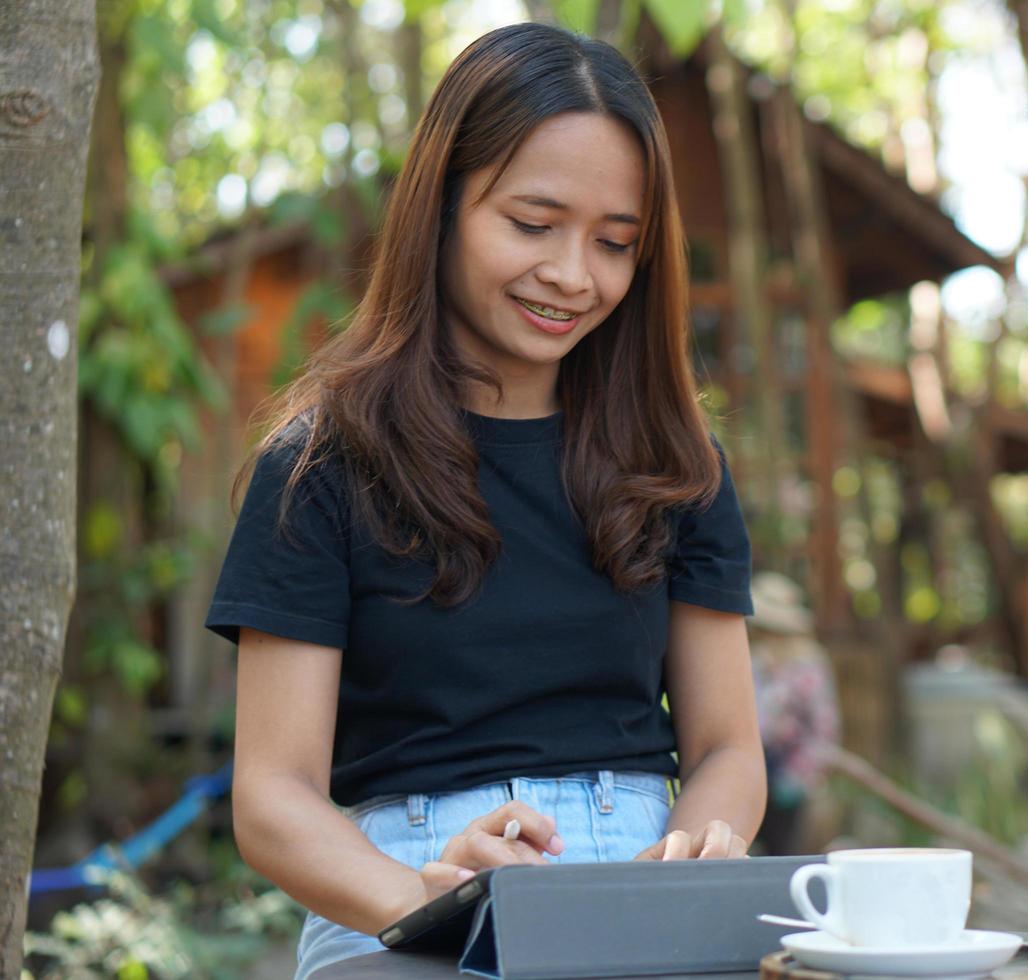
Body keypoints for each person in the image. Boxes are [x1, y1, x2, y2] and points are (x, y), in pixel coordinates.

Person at [207, 23, 765, 979]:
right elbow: (274, 794)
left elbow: (725, 747)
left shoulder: (678, 463)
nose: (572, 274)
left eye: (614, 242)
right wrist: (427, 900)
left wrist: (695, 853)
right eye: (532, 224)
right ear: (443, 209)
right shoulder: (321, 467)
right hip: (400, 897)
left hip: (643, 905)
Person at [746, 573, 840, 856]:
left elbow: (824, 728)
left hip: (790, 771)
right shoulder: (754, 660)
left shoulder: (808, 663)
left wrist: (799, 776)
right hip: (753, 766)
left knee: (785, 851)